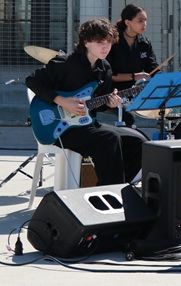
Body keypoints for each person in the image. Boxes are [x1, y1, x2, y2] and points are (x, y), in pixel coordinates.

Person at [26, 18, 146, 185]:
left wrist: (110, 103)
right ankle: (111, 193)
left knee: (138, 143)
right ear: (86, 42)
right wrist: (62, 101)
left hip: (86, 123)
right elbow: (32, 80)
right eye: (100, 43)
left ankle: (114, 188)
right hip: (60, 128)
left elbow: (99, 103)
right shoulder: (66, 63)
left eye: (109, 43)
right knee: (108, 138)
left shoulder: (105, 69)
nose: (105, 47)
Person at [106, 4, 158, 127]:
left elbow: (153, 68)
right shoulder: (112, 42)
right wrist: (134, 76)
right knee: (128, 116)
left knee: (172, 111)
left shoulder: (145, 43)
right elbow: (109, 74)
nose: (144, 24)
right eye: (140, 21)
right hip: (115, 93)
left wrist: (164, 81)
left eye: (145, 20)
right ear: (128, 22)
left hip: (138, 91)